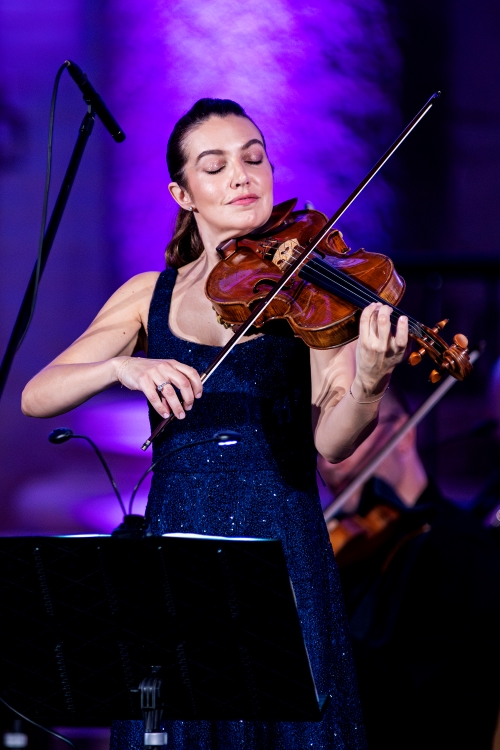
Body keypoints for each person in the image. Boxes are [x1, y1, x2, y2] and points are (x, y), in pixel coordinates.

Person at [21, 98, 409, 749]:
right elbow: (38, 395)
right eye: (215, 165)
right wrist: (122, 368)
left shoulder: (310, 289)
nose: (241, 176)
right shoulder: (148, 295)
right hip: (177, 545)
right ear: (183, 194)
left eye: (254, 158)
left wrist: (369, 380)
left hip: (283, 547)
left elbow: (333, 442)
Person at [319, 387, 500, 750]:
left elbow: (405, 693)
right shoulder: (356, 545)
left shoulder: (462, 550)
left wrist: (314, 635)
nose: (328, 466)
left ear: (402, 435)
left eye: (349, 439)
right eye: (322, 449)